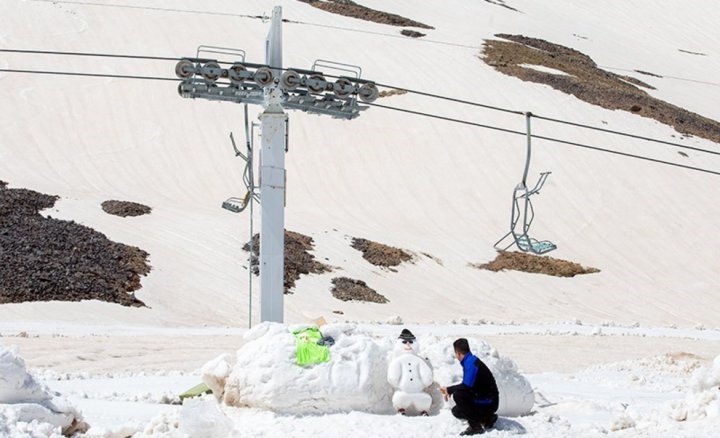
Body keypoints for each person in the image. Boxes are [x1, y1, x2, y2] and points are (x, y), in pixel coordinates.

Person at [440, 338, 499, 436]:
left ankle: (475, 426)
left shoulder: (471, 363)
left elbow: (466, 386)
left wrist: (449, 390)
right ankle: (488, 418)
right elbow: (468, 385)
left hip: (490, 401)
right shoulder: (470, 360)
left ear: (458, 353)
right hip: (484, 397)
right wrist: (450, 390)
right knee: (456, 411)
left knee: (458, 395)